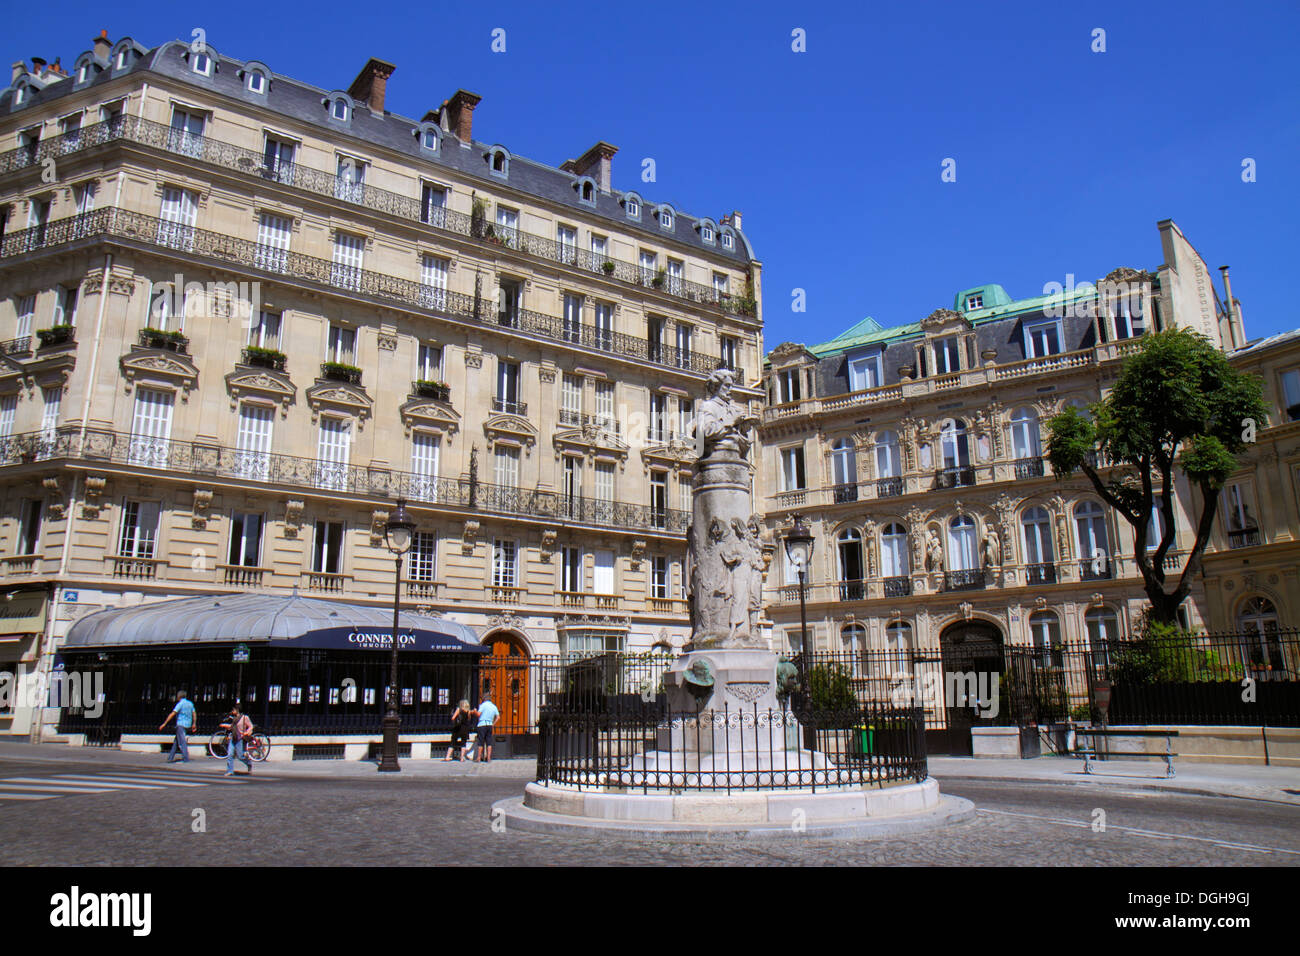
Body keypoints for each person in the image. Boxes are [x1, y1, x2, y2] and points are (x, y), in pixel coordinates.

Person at [159, 690, 195, 763]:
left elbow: (173, 713)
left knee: (182, 742)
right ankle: (170, 757)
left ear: (179, 696)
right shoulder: (190, 704)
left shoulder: (180, 704)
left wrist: (164, 723)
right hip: (188, 724)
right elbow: (194, 713)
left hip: (180, 724)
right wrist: (194, 723)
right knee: (176, 741)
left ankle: (185, 758)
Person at [221, 703, 254, 776]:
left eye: (233, 710)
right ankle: (230, 770)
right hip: (233, 737)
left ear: (237, 710)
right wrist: (225, 725)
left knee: (240, 756)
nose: (232, 711)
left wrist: (247, 732)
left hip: (240, 738)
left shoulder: (245, 718)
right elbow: (232, 727)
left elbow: (251, 726)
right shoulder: (234, 718)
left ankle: (248, 763)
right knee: (230, 754)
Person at [472, 692, 500, 763]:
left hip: (482, 724)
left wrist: (475, 711)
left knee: (481, 741)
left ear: (484, 698)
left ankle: (478, 758)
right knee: (489, 742)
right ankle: (488, 758)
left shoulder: (483, 705)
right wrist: (493, 724)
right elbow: (498, 717)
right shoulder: (494, 706)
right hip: (489, 724)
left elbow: (478, 714)